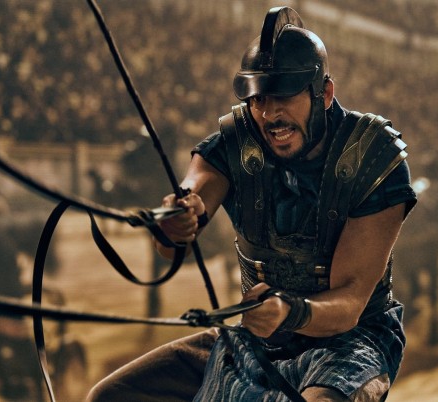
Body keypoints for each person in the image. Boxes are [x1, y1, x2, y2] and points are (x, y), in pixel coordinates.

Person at [88, 6, 416, 402]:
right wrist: (178, 220)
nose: (269, 113)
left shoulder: (373, 156)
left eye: (284, 95)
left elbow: (348, 304)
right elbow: (190, 203)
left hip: (351, 340)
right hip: (256, 338)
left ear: (325, 93)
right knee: (111, 396)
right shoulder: (234, 142)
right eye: (258, 98)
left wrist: (288, 311)